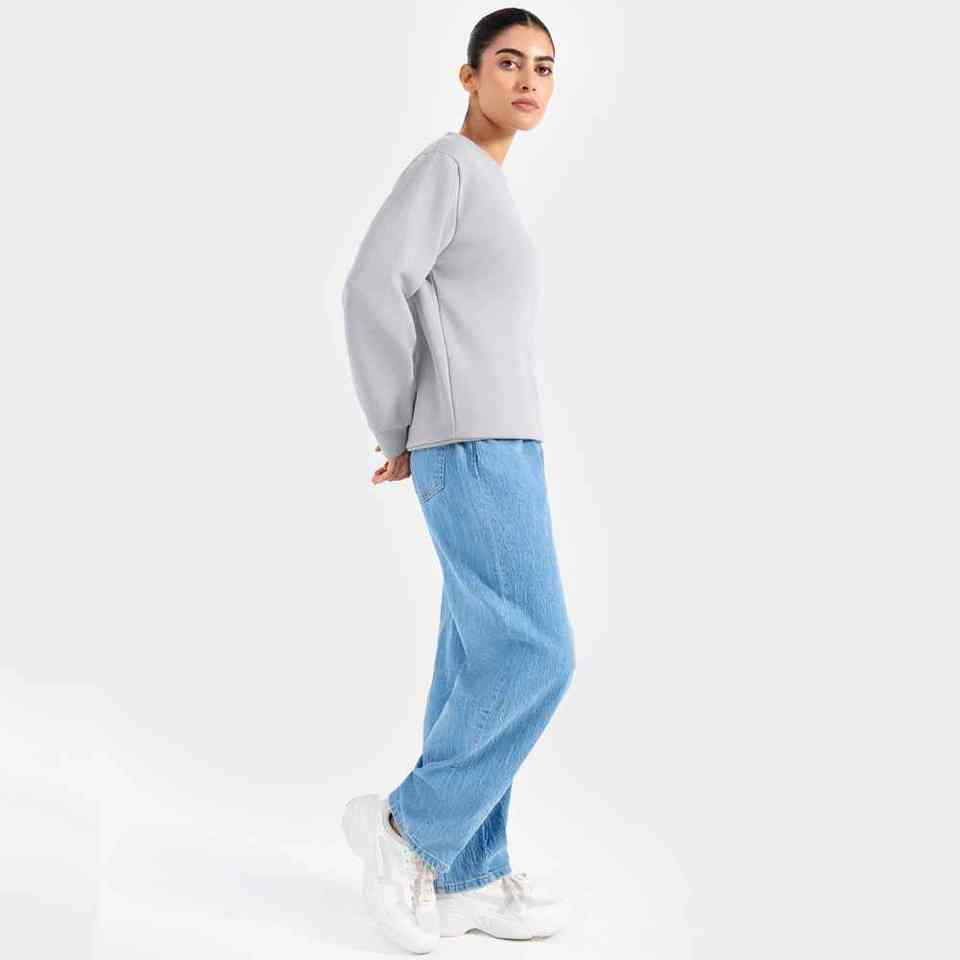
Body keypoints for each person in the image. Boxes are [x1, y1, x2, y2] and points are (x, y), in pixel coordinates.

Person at [340, 9, 575, 953]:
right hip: (470, 443)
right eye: (508, 62)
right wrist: (396, 423)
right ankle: (409, 828)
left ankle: (469, 871)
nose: (528, 80)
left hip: (505, 441)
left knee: (484, 655)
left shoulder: (489, 185)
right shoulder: (448, 167)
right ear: (468, 75)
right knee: (537, 653)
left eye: (544, 68)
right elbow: (371, 285)